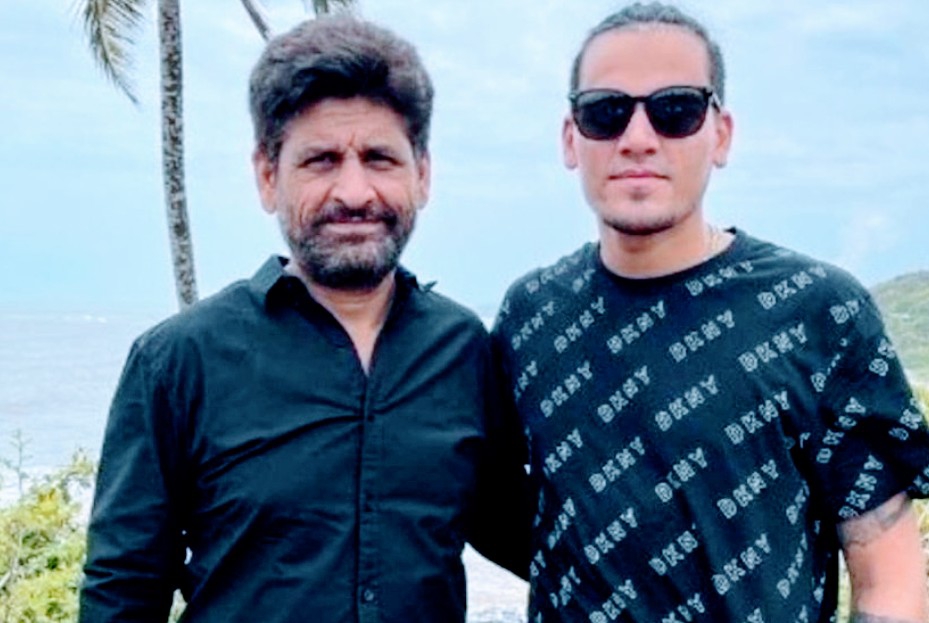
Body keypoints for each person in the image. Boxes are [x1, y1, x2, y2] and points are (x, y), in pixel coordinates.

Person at [80, 16, 529, 623]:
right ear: (268, 177)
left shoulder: (464, 350)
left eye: (380, 159)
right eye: (321, 160)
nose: (354, 192)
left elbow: (522, 532)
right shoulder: (179, 360)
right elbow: (123, 587)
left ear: (422, 175)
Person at [492, 3, 929, 622]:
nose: (637, 138)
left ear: (720, 134)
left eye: (676, 110)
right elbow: (510, 510)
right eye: (605, 112)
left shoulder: (819, 311)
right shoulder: (530, 316)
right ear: (571, 138)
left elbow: (890, 579)